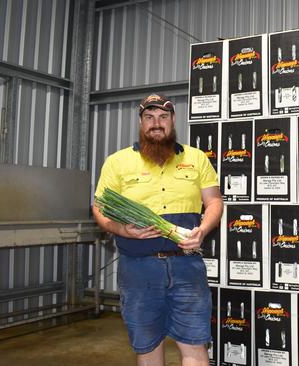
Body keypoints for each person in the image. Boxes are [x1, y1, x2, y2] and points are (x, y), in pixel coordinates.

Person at [92, 93, 223, 366]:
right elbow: (99, 208)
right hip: (139, 269)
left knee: (194, 344)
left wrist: (202, 229)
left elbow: (214, 202)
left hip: (187, 267)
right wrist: (123, 230)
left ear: (173, 120)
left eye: (163, 117)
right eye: (149, 117)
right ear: (141, 122)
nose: (156, 123)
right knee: (148, 346)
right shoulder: (118, 162)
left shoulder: (196, 158)